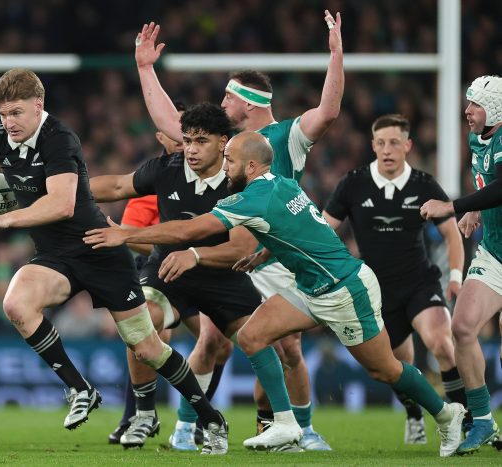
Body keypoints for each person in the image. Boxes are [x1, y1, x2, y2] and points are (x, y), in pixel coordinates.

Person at [85, 131, 467, 457]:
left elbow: (189, 231)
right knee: (252, 334)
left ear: (251, 167)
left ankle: (447, 414)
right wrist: (266, 250)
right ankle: (285, 424)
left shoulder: (254, 198)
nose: (225, 167)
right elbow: (301, 225)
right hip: (311, 286)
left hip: (344, 290)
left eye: (230, 160)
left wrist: (129, 235)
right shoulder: (281, 183)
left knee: (384, 369)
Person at [0, 68, 229, 455]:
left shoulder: (59, 140)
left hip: (99, 249)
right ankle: (79, 388)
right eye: (3, 114)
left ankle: (209, 416)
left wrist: (3, 217)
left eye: (16, 113)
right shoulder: (0, 137)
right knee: (16, 304)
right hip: (55, 255)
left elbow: (62, 203)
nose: (8, 123)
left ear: (39, 105)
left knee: (146, 347)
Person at [132, 10, 343, 451]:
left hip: (274, 254)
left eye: (227, 99)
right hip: (230, 251)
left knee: (290, 350)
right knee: (213, 340)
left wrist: (336, 55)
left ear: (247, 103)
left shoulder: (286, 136)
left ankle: (299, 429)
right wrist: (146, 69)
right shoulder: (223, 139)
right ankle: (188, 427)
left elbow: (327, 112)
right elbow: (173, 124)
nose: (220, 105)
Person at [89, 102, 260, 450]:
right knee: (140, 324)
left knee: (269, 342)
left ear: (223, 142)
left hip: (222, 276)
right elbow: (119, 187)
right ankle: (144, 413)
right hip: (168, 270)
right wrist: (60, 191)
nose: (191, 150)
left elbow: (241, 250)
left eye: (201, 141)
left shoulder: (240, 182)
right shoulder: (165, 169)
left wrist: (194, 254)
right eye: (187, 141)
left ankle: (281, 424)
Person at [322, 114, 468, 445]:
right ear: (373, 146)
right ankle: (414, 415)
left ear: (408, 145)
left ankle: (464, 423)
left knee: (443, 344)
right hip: (376, 291)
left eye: (395, 143)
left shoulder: (424, 184)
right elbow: (324, 230)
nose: (387, 150)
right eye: (381, 143)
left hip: (420, 282)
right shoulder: (353, 183)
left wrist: (455, 277)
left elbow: (452, 234)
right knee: (397, 367)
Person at [420, 75, 502, 455]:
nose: (467, 111)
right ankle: (483, 420)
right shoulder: (477, 139)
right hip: (495, 251)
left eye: (476, 105)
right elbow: (487, 181)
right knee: (463, 326)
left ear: (496, 109)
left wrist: (457, 206)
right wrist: (476, 215)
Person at [107, 103, 185, 445]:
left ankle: (192, 419)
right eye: (177, 129)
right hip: (159, 272)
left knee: (217, 343)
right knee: (148, 337)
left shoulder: (217, 175)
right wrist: (165, 244)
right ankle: (137, 415)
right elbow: (128, 235)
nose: (186, 139)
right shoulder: (153, 178)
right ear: (161, 136)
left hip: (200, 268)